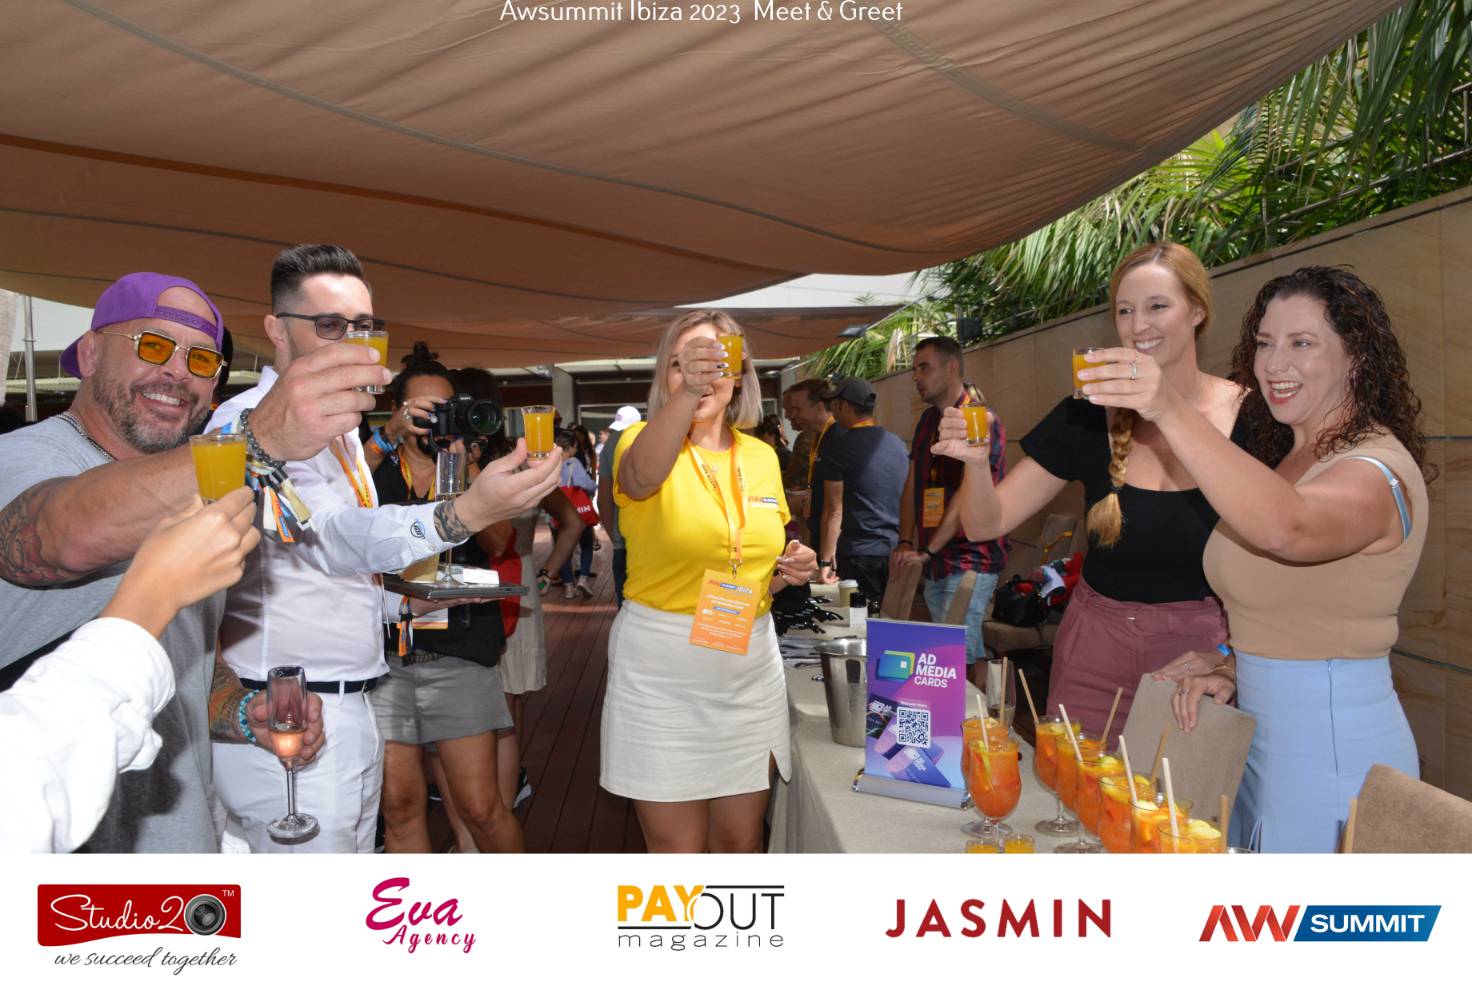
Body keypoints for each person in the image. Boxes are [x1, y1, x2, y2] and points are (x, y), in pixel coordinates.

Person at [208, 245, 561, 853]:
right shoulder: (247, 426)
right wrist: (465, 512)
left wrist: (402, 606)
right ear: (277, 330)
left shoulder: (342, 432)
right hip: (290, 714)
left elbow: (323, 572)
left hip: (352, 701)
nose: (353, 342)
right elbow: (331, 537)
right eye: (329, 325)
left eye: (365, 326)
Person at [0, 271, 361, 852]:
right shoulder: (22, 456)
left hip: (185, 845)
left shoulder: (207, 486)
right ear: (89, 354)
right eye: (153, 346)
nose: (177, 372)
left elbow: (191, 655)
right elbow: (59, 536)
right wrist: (258, 438)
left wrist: (243, 713)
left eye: (200, 359)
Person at [1091, 266, 1430, 853]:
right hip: (1258, 750)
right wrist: (1229, 665)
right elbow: (1295, 610)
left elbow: (1288, 529)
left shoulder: (1378, 470)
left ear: (1357, 358)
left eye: (1302, 343)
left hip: (1331, 759)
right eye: (1266, 343)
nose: (1275, 364)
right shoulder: (1290, 461)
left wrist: (1170, 408)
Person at [933, 243, 1246, 743]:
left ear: (1197, 310)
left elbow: (1291, 557)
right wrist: (974, 463)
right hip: (1094, 649)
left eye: (1157, 306)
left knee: (1176, 795)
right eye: (1125, 311)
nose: (1138, 325)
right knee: (1070, 785)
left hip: (1197, 659)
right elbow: (986, 523)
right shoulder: (1085, 413)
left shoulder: (1249, 417)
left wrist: (1231, 659)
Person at [607, 309, 816, 852]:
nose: (699, 375)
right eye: (683, 364)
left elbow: (749, 568)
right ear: (665, 376)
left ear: (738, 375)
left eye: (713, 363)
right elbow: (641, 478)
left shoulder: (762, 456)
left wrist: (789, 569)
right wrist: (688, 396)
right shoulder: (638, 442)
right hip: (661, 679)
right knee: (680, 859)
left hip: (748, 670)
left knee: (740, 849)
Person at [3, 490, 259, 853]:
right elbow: (25, 770)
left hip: (192, 826)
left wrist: (241, 713)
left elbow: (195, 663)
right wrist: (153, 593)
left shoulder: (186, 500)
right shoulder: (30, 463)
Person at [369, 349, 522, 853]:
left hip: (459, 654)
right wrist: (386, 437)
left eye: (446, 407)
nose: (435, 419)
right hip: (384, 658)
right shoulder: (372, 470)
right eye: (423, 409)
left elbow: (499, 542)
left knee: (480, 808)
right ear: (398, 410)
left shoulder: (467, 471)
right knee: (399, 804)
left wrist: (468, 466)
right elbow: (336, 514)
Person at [895, 337, 1008, 682]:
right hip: (935, 557)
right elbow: (913, 482)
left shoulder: (979, 419)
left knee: (955, 656)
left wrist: (927, 549)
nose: (916, 377)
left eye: (924, 367)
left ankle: (977, 714)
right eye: (914, 369)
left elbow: (966, 495)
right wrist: (905, 541)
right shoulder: (927, 420)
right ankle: (979, 710)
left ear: (951, 368)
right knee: (956, 651)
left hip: (971, 556)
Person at [814, 377, 908, 604]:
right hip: (895, 552)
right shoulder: (896, 443)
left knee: (859, 619)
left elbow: (834, 510)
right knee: (888, 617)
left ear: (846, 406)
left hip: (858, 554)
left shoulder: (839, 446)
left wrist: (825, 562)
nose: (832, 412)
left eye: (835, 405)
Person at [784, 378, 844, 548]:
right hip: (817, 530)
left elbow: (837, 505)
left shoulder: (838, 438)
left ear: (819, 407)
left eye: (798, 409)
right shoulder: (817, 436)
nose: (792, 415)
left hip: (834, 541)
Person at [596, 405, 641, 607]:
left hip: (623, 541)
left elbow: (603, 500)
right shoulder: (653, 439)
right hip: (654, 543)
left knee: (625, 608)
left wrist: (615, 538)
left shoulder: (610, 444)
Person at [556, 429, 597, 600]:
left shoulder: (551, 463)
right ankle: (583, 579)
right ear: (570, 447)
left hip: (557, 511)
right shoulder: (573, 463)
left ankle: (568, 586)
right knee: (586, 545)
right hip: (577, 513)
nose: (576, 450)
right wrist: (593, 487)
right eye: (575, 447)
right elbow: (585, 484)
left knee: (562, 549)